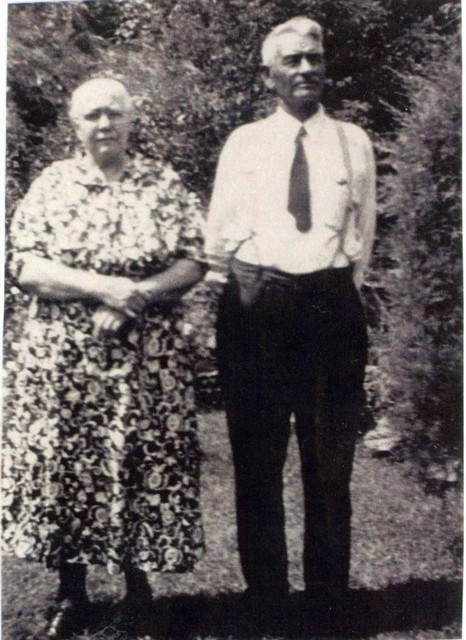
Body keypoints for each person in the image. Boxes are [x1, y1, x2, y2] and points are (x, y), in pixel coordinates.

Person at [3, 77, 205, 638]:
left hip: (146, 362)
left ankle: (139, 587)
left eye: (114, 113)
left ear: (132, 119)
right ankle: (72, 591)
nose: (104, 124)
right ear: (75, 125)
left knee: (141, 461)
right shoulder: (52, 185)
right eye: (92, 115)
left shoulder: (162, 183)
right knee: (71, 464)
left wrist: (136, 295)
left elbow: (193, 259)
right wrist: (102, 288)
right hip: (66, 365)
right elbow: (26, 267)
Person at [206, 16, 376, 626]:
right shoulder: (244, 143)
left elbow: (363, 235)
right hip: (257, 308)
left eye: (314, 58)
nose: (306, 69)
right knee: (257, 458)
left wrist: (331, 292)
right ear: (268, 75)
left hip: (330, 306)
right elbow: (219, 237)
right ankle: (267, 599)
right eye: (292, 61)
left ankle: (328, 600)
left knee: (329, 461)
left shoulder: (353, 141)